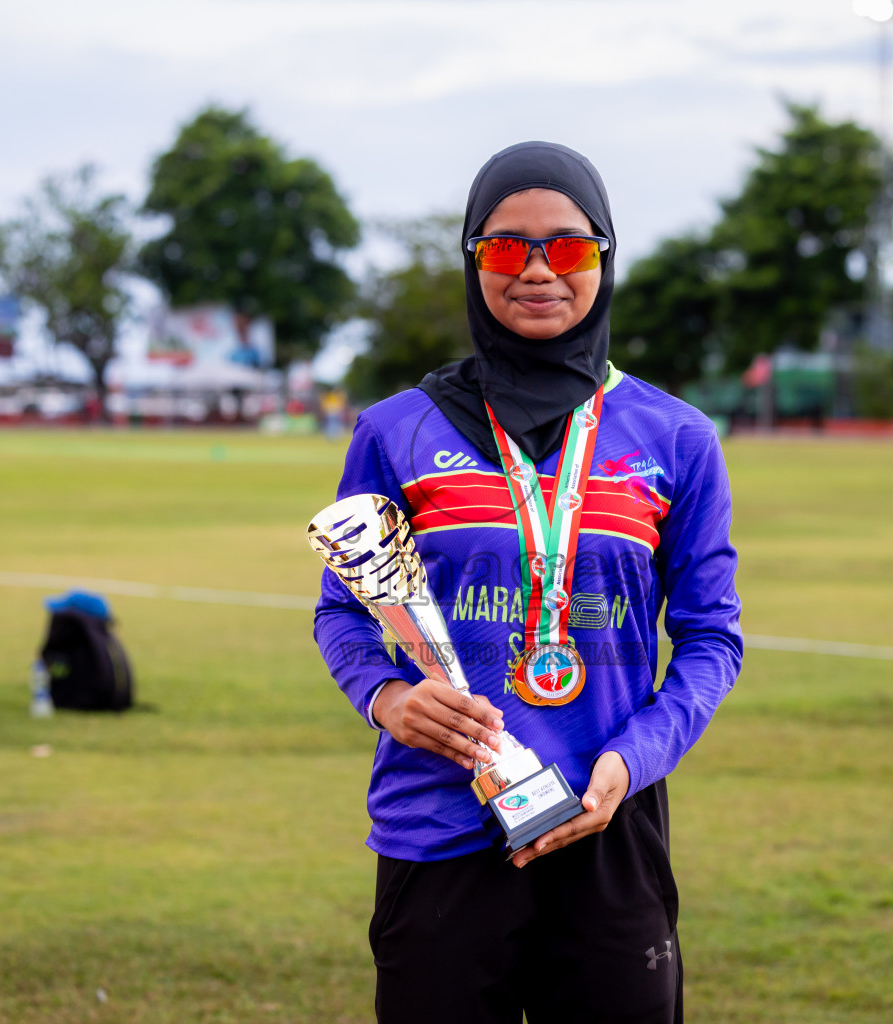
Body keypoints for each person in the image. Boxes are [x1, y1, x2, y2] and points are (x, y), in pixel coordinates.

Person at [313, 141, 742, 1023]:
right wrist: (387, 697)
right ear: (473, 262)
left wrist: (636, 757)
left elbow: (711, 639)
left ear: (604, 255)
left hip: (607, 819)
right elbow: (343, 614)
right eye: (506, 247)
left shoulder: (677, 437)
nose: (539, 270)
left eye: (570, 246)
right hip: (439, 820)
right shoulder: (396, 431)